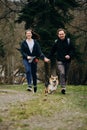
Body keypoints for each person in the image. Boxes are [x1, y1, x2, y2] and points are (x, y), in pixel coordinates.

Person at [20, 29, 49, 93]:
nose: (28, 34)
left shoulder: (35, 42)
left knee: (33, 73)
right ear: (25, 35)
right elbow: (22, 51)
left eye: (29, 33)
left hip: (34, 59)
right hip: (26, 59)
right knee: (28, 70)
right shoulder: (23, 43)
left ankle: (35, 85)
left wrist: (44, 58)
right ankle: (29, 85)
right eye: (27, 33)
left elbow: (39, 52)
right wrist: (26, 56)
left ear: (31, 34)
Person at [49, 28, 75, 94]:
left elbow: (73, 50)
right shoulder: (56, 42)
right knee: (62, 73)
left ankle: (63, 85)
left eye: (62, 34)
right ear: (58, 35)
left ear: (65, 34)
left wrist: (69, 55)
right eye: (60, 34)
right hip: (59, 61)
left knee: (65, 75)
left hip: (67, 61)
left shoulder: (69, 41)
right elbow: (52, 51)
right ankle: (63, 87)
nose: (61, 35)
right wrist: (48, 57)